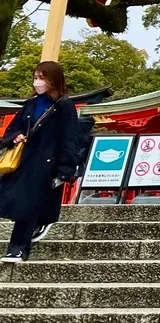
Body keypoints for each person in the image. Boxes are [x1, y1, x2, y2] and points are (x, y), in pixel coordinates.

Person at [0, 61, 84, 263]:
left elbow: (70, 138)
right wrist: (17, 136)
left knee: (28, 203)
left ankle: (18, 249)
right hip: (24, 159)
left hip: (47, 162)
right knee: (15, 199)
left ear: (53, 79)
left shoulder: (63, 105)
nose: (37, 81)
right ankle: (41, 222)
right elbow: (13, 128)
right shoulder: (30, 103)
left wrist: (66, 168)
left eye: (42, 77)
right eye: (36, 77)